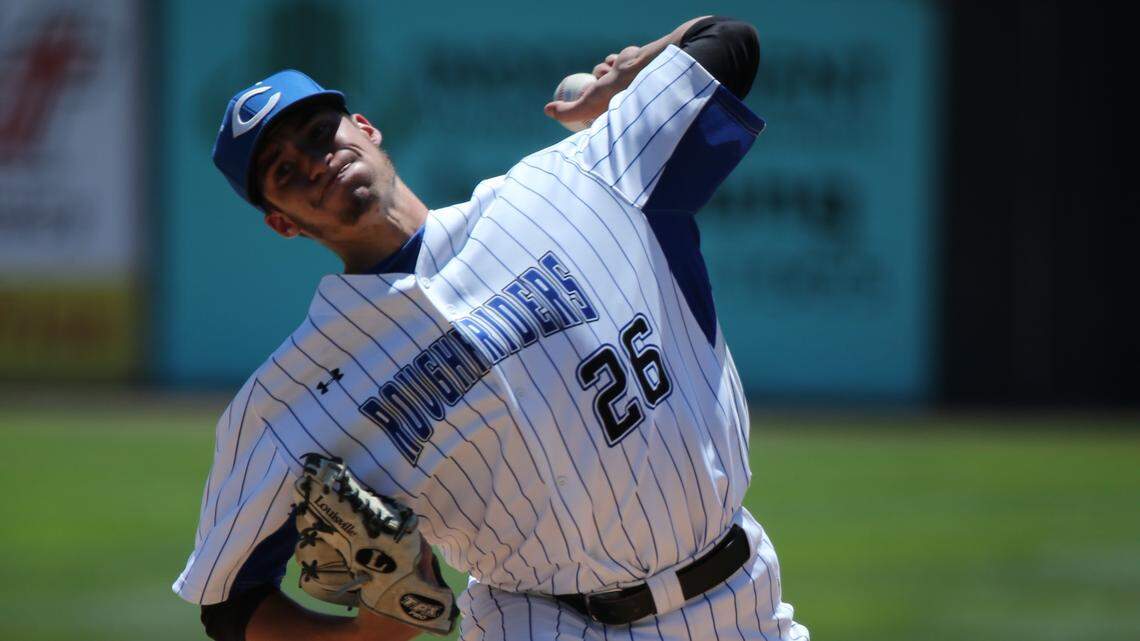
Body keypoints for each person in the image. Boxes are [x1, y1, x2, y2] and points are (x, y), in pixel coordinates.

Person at [173, 15, 809, 641]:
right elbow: (228, 603)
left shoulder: (571, 182)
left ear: (365, 128)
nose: (314, 162)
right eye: (284, 172)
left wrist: (625, 77)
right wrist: (365, 638)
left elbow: (728, 42)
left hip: (741, 601)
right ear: (282, 222)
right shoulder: (290, 397)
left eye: (318, 133)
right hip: (538, 621)